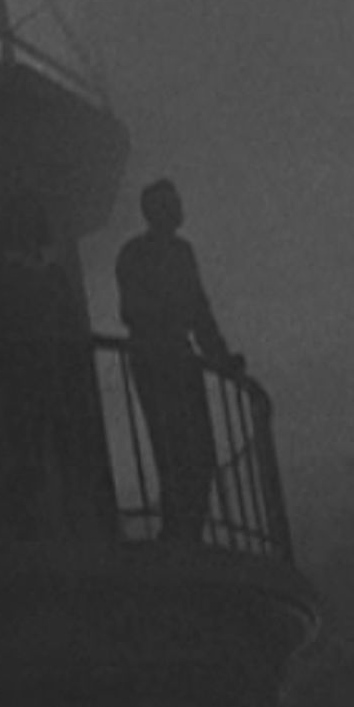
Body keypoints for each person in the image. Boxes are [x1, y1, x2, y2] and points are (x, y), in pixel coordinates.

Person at [114, 179, 245, 544]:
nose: (177, 209)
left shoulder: (181, 253)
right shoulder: (134, 254)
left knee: (199, 456)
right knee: (173, 452)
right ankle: (177, 533)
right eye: (170, 204)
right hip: (155, 361)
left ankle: (186, 532)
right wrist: (173, 327)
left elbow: (200, 313)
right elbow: (132, 310)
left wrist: (220, 357)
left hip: (180, 360)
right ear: (156, 211)